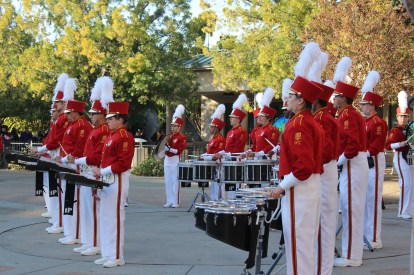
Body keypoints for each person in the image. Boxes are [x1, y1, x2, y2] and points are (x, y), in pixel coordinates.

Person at [269, 76, 324, 275]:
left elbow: (303, 167)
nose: (287, 99)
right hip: (310, 186)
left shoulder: (299, 124)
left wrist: (281, 187)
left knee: (297, 244)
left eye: (291, 96)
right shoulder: (310, 121)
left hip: (300, 189)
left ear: (301, 100)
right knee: (305, 245)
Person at [332, 57, 368, 268]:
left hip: (353, 165)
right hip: (351, 165)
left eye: (336, 96)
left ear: (343, 98)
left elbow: (352, 147)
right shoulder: (346, 114)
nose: (333, 99)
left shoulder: (348, 116)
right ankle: (351, 253)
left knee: (351, 210)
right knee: (349, 209)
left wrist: (338, 161)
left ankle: (352, 256)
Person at [92, 100, 135, 268]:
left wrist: (101, 171)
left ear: (120, 119)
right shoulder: (113, 135)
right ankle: (108, 252)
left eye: (110, 119)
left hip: (117, 180)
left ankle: (117, 255)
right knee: (105, 217)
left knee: (115, 218)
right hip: (108, 180)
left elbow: (123, 163)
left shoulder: (124, 136)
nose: (107, 121)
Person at [73, 77, 111, 256]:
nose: (91, 116)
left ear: (102, 115)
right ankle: (88, 241)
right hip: (88, 169)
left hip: (94, 169)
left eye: (94, 113)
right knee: (86, 208)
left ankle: (95, 243)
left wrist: (81, 160)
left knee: (93, 209)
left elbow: (97, 155)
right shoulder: (96, 129)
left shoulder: (103, 130)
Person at [32, 73, 70, 234]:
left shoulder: (62, 119)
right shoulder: (58, 119)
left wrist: (41, 149)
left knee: (58, 190)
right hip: (54, 153)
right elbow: (51, 138)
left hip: (58, 154)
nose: (54, 106)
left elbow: (55, 140)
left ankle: (59, 221)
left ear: (62, 103)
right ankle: (57, 219)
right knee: (53, 188)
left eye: (56, 103)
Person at [311, 80, 339, 275]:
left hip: (325, 170)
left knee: (324, 219)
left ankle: (323, 268)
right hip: (327, 168)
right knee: (323, 219)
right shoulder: (323, 117)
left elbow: (325, 151)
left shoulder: (322, 119)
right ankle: (322, 266)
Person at [57, 97, 93, 245]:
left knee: (74, 199)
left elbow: (79, 148)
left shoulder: (82, 125)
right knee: (69, 198)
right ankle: (71, 232)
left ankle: (76, 234)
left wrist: (67, 159)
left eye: (69, 112)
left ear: (76, 112)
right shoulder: (74, 124)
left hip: (75, 164)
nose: (66, 115)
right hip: (69, 163)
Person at [360, 71, 388, 250]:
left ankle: (375, 238)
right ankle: (367, 235)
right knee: (366, 200)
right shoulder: (366, 121)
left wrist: (360, 153)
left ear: (372, 105)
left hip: (374, 160)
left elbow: (376, 146)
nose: (362, 107)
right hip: (366, 160)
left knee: (373, 199)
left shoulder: (377, 122)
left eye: (364, 104)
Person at [214, 94, 248, 198]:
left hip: (235, 158)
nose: (230, 119)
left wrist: (223, 153)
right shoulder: (230, 132)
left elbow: (237, 148)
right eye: (230, 118)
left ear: (238, 119)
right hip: (228, 158)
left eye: (232, 118)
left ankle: (234, 200)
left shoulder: (241, 131)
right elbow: (227, 147)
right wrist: (221, 152)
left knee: (235, 182)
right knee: (228, 181)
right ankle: (228, 200)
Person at [385, 90, 413, 219]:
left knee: (410, 184)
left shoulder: (410, 129)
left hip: (410, 159)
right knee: (405, 184)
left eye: (405, 116)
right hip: (400, 158)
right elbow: (388, 145)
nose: (403, 118)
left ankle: (409, 209)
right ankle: (402, 211)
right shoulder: (395, 130)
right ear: (397, 117)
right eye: (401, 116)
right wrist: (400, 144)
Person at [199, 104, 226, 200]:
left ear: (216, 128)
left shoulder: (220, 139)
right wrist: (204, 155)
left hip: (218, 164)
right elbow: (210, 152)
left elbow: (216, 156)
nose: (210, 129)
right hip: (212, 164)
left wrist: (204, 157)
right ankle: (214, 200)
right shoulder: (213, 138)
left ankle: (220, 201)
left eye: (212, 127)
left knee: (219, 184)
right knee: (214, 184)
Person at [163, 105, 187, 208]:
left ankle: (176, 202)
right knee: (167, 181)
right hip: (167, 159)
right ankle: (169, 200)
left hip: (175, 159)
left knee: (175, 181)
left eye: (175, 126)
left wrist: (169, 149)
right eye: (172, 126)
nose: (173, 128)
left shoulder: (182, 137)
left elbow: (179, 150)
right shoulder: (168, 136)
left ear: (179, 127)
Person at [245, 88, 279, 160]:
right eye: (259, 116)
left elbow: (271, 146)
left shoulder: (272, 129)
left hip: (267, 159)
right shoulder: (258, 130)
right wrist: (247, 152)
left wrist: (257, 154)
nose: (259, 118)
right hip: (258, 158)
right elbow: (255, 146)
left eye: (262, 116)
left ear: (268, 118)